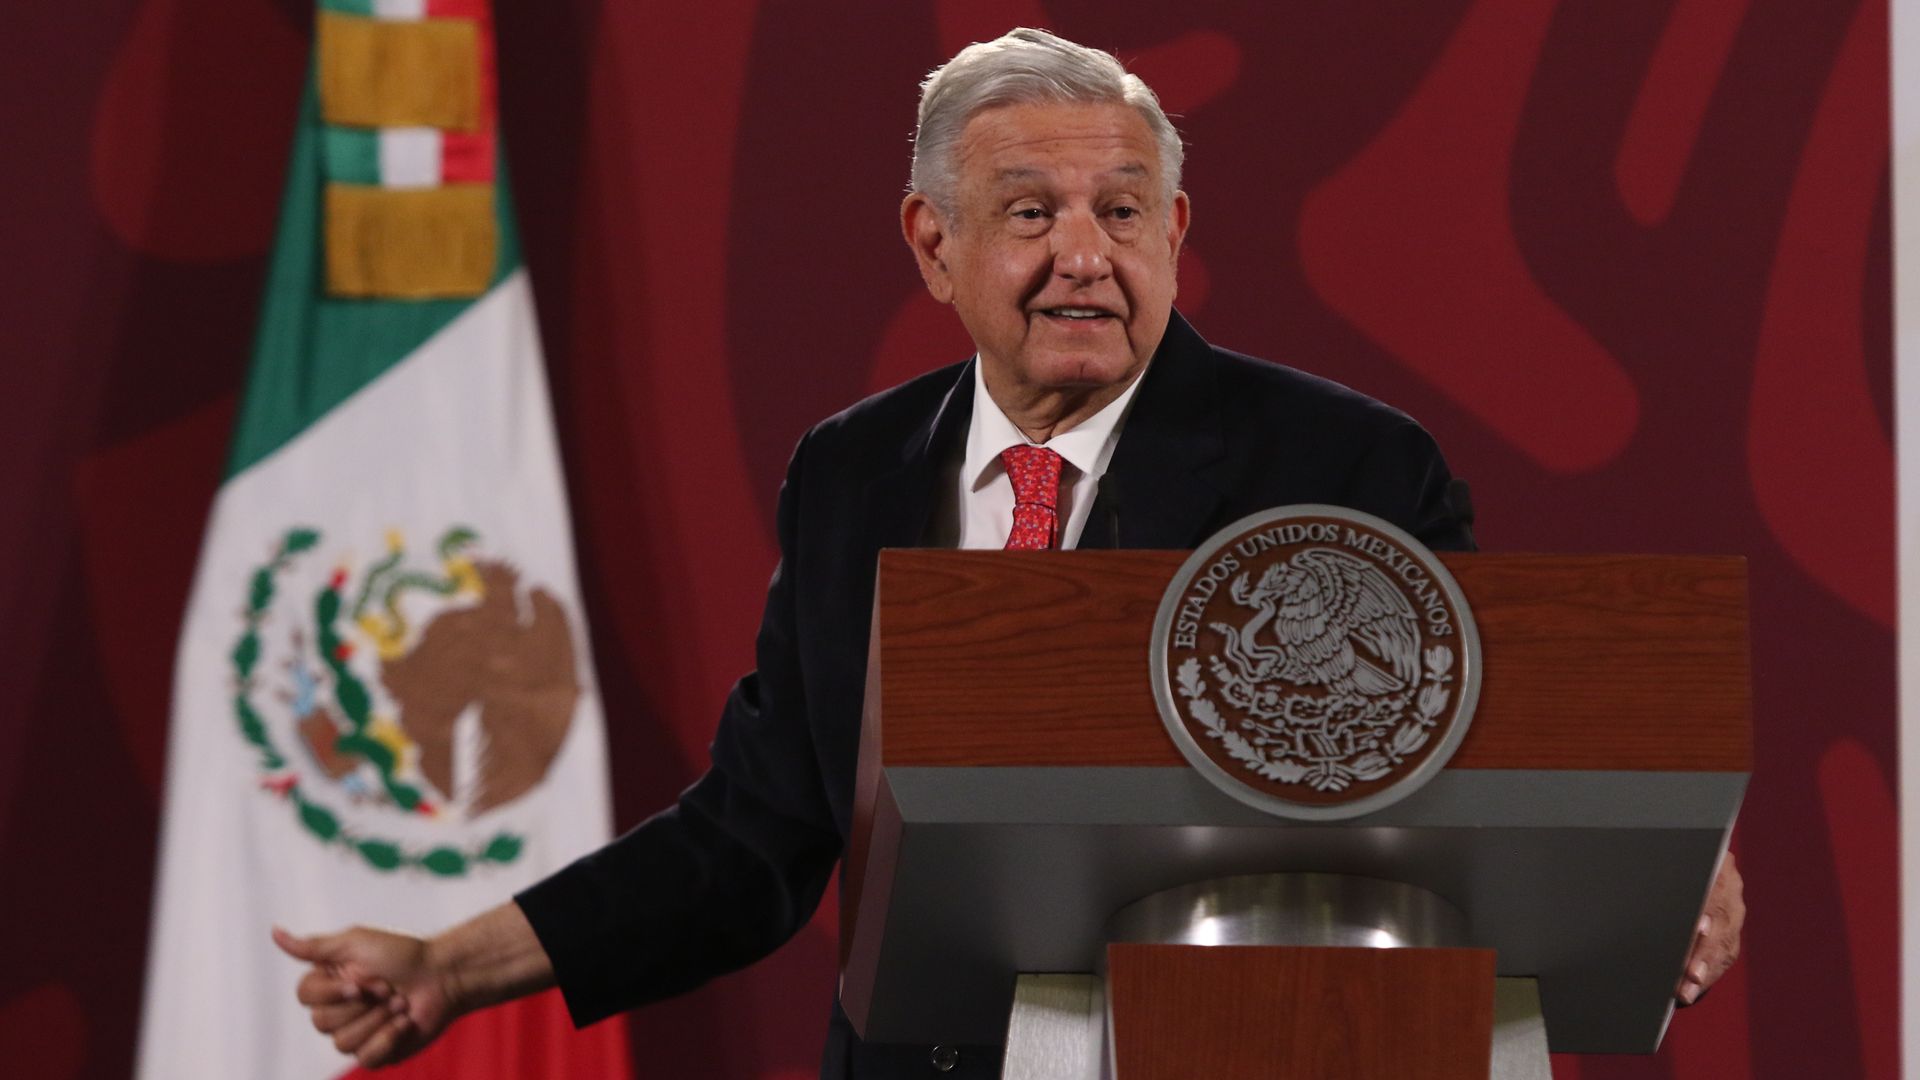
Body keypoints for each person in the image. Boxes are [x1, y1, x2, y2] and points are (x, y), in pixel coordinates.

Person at [275, 27, 1744, 1074]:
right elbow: (756, 835)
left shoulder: (1342, 464)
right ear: (933, 242)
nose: (1084, 257)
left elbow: (1482, 729)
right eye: (1030, 215)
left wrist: (1674, 853)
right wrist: (452, 967)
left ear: (1176, 229)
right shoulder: (854, 475)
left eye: (1121, 213)